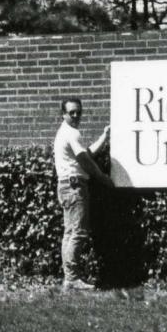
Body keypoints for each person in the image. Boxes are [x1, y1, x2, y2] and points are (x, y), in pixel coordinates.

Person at [53, 97, 114, 291]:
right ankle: (71, 279)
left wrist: (104, 137)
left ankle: (69, 278)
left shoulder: (66, 133)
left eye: (79, 111)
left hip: (66, 185)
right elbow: (85, 161)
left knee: (70, 233)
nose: (76, 115)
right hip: (74, 186)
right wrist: (102, 177)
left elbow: (84, 154)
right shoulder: (71, 132)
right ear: (63, 114)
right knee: (77, 233)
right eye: (72, 112)